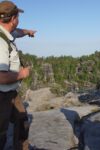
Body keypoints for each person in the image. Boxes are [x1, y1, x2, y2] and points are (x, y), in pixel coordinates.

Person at [0, 1, 35, 149]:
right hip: (2, 95)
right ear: (13, 18)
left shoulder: (5, 32)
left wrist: (27, 32)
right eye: (17, 16)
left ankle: (22, 147)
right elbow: (1, 77)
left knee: (22, 120)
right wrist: (22, 73)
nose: (18, 20)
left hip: (11, 92)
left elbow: (17, 32)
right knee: (1, 131)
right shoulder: (1, 42)